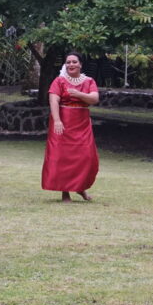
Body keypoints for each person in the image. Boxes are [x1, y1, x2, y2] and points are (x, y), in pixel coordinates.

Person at [42, 52, 100, 202]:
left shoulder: (88, 81)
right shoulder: (59, 81)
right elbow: (53, 100)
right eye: (68, 62)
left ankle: (80, 188)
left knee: (86, 156)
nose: (71, 65)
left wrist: (78, 94)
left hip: (82, 123)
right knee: (62, 157)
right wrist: (57, 121)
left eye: (74, 62)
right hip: (63, 123)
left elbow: (94, 98)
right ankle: (65, 192)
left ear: (80, 64)